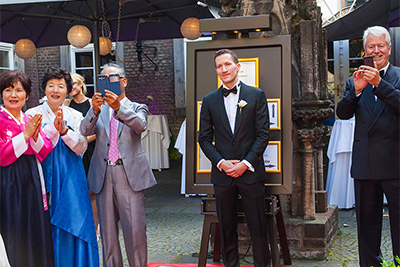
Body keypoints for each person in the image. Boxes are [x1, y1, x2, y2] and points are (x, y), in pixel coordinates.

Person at [198, 49, 271, 267]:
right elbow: (203, 139)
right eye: (219, 66)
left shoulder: (256, 95)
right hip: (223, 176)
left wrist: (245, 164)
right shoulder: (209, 100)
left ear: (238, 67)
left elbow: (263, 134)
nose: (223, 69)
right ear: (216, 71)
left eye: (227, 64)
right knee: (227, 228)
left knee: (258, 226)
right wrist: (221, 162)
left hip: (250, 173)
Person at [80, 63, 157, 267]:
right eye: (104, 78)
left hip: (128, 173)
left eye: (113, 78)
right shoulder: (98, 109)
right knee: (107, 232)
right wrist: (93, 111)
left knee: (135, 230)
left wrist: (118, 108)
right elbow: (84, 131)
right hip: (103, 173)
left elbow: (140, 125)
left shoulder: (137, 107)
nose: (109, 82)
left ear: (123, 81)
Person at [336, 26, 400, 267]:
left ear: (389, 49)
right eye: (370, 47)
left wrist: (380, 84)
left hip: (395, 163)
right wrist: (357, 91)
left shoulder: (398, 76)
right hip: (365, 166)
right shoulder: (356, 78)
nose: (376, 51)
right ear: (365, 51)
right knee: (366, 228)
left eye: (380, 46)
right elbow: (342, 113)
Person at [26, 67, 99, 267]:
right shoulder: (32, 114)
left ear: (68, 90)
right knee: (44, 219)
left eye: (60, 86)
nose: (55, 90)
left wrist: (64, 131)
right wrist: (49, 132)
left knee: (74, 217)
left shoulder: (75, 115)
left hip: (70, 174)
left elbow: (82, 146)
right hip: (42, 172)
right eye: (51, 86)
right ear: (44, 89)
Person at [0, 70, 54, 267]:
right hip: (8, 178)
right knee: (14, 224)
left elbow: (45, 150)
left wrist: (35, 134)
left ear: (27, 95)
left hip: (32, 175)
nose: (13, 95)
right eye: (8, 90)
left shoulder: (28, 119)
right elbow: (1, 156)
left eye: (19, 90)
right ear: (2, 94)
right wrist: (25, 136)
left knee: (35, 223)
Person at [65, 72, 99, 238]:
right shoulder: (66, 105)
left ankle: (95, 229)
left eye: (74, 84)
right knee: (77, 191)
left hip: (91, 151)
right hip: (74, 153)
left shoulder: (92, 103)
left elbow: (99, 130)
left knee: (92, 192)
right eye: (69, 85)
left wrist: (82, 141)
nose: (72, 88)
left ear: (81, 85)